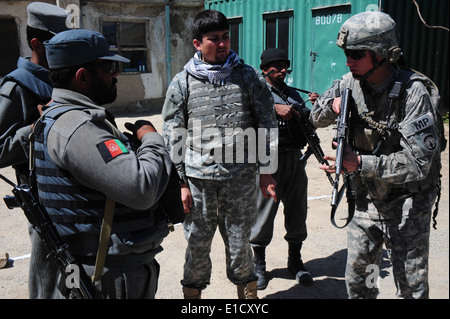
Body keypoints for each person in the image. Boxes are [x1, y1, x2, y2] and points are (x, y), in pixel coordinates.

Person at [310, 11, 445, 299]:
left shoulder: (413, 93)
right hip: (367, 201)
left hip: (408, 203)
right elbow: (314, 117)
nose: (349, 61)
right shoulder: (348, 83)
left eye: (357, 54)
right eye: (347, 53)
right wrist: (332, 107)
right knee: (362, 281)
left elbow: (419, 164)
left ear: (383, 54)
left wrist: (358, 162)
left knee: (410, 287)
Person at [32, 29, 173, 299]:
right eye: (109, 66)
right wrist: (152, 138)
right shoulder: (79, 129)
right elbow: (141, 188)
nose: (116, 73)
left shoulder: (55, 116)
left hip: (96, 266)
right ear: (82, 77)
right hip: (105, 275)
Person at [161, 10, 278, 299]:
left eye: (226, 37)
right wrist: (180, 183)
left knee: (240, 243)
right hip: (199, 179)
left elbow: (267, 121)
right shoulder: (183, 81)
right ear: (197, 43)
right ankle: (193, 299)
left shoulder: (247, 76)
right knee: (197, 244)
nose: (223, 44)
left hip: (239, 178)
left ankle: (247, 298)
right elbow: (173, 133)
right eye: (214, 39)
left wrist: (266, 170)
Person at [0, 2, 70, 299]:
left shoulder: (60, 80)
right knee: (47, 278)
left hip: (71, 194)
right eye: (56, 43)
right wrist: (36, 127)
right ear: (36, 43)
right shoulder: (17, 87)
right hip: (41, 196)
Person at [250, 48, 319, 289]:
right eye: (276, 66)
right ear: (264, 69)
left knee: (297, 210)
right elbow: (245, 118)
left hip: (294, 158)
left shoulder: (292, 94)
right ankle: (258, 264)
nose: (282, 70)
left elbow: (308, 122)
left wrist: (315, 107)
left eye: (284, 66)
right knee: (264, 211)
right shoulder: (256, 91)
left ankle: (295, 260)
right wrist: (273, 109)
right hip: (268, 160)